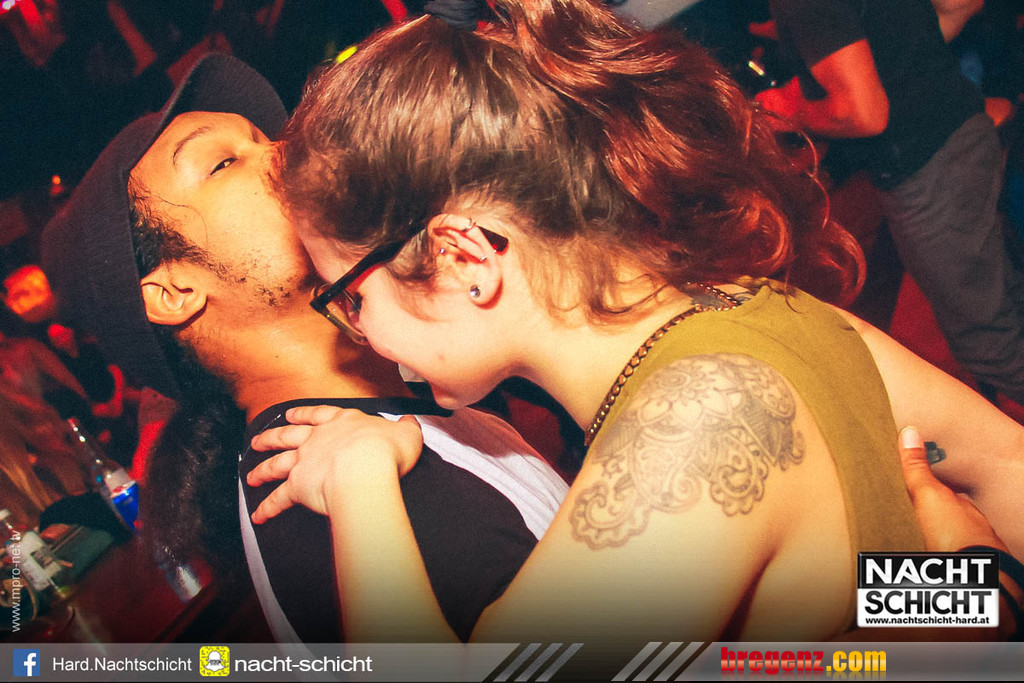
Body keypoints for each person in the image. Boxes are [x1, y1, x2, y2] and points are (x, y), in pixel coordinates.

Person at [253, 0, 1024, 644]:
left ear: (463, 258)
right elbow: (977, 479)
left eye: (350, 296)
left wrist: (358, 480)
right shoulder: (749, 305)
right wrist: (966, 601)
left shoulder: (695, 419)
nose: (359, 335)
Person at [40, 54, 568, 643]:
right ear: (174, 292)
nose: (286, 150)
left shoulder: (400, 400)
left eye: (265, 138)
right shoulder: (334, 503)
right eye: (222, 163)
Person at [755, 0, 1024, 406]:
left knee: (986, 342)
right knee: (1006, 295)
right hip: (965, 132)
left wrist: (793, 110)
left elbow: (865, 114)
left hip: (926, 164)